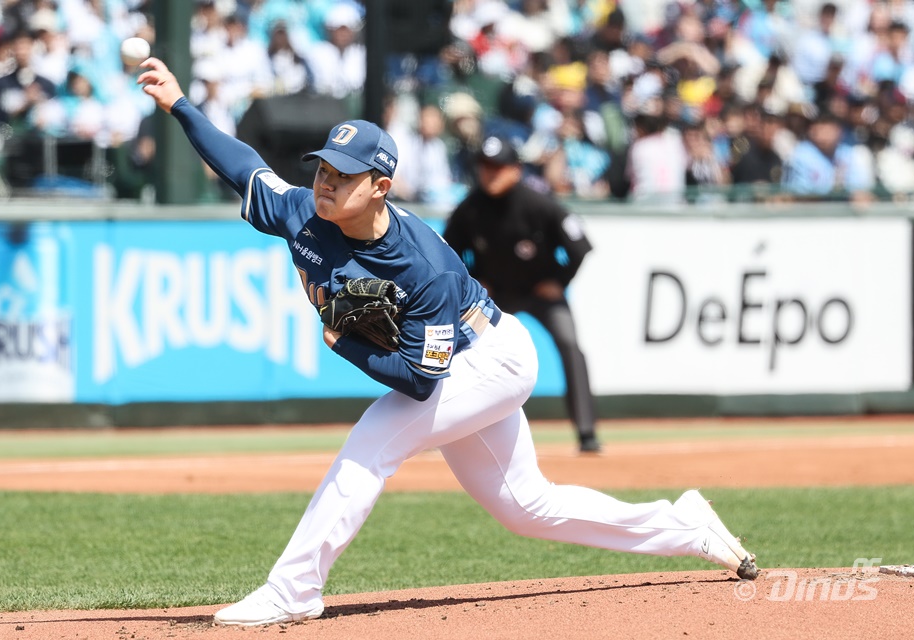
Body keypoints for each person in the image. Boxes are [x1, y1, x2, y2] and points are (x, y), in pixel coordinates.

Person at [138, 56, 759, 628]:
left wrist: (340, 339)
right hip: (460, 366)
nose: (326, 182)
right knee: (525, 507)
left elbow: (418, 380)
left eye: (344, 175)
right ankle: (684, 526)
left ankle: (294, 589)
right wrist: (181, 106)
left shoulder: (421, 266)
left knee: (374, 438)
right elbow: (244, 166)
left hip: (489, 357)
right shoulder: (304, 211)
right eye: (323, 168)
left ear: (380, 186)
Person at [442, 135, 601, 453]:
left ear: (515, 169)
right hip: (494, 297)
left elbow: (580, 246)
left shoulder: (538, 204)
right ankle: (443, 427)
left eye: (498, 167)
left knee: (570, 346)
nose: (490, 174)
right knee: (454, 346)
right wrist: (475, 282)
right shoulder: (469, 209)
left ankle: (587, 433)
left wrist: (559, 279)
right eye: (485, 167)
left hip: (540, 292)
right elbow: (447, 257)